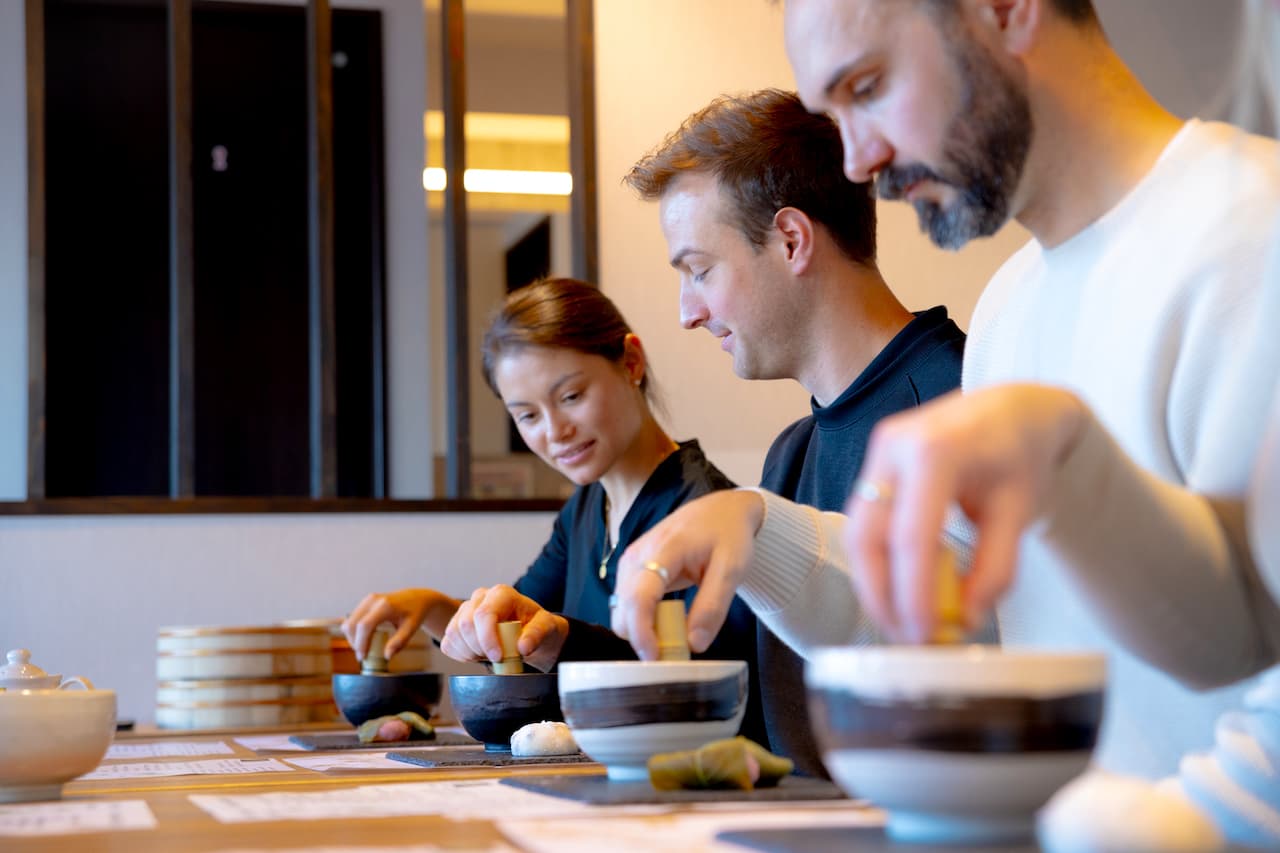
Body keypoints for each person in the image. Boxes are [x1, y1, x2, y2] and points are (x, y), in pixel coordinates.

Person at [612, 0, 1280, 779]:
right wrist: (760, 530)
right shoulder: (1009, 304)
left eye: (866, 86)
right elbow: (964, 618)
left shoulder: (1253, 235)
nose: (856, 162)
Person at [622, 88, 968, 774]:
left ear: (790, 239)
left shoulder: (961, 406)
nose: (688, 313)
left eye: (699, 271)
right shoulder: (792, 453)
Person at [342, 277, 766, 741]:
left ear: (631, 362)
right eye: (528, 416)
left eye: (570, 397)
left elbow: (698, 692)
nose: (555, 431)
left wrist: (558, 640)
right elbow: (516, 635)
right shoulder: (587, 508)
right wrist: (434, 609)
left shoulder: (704, 509)